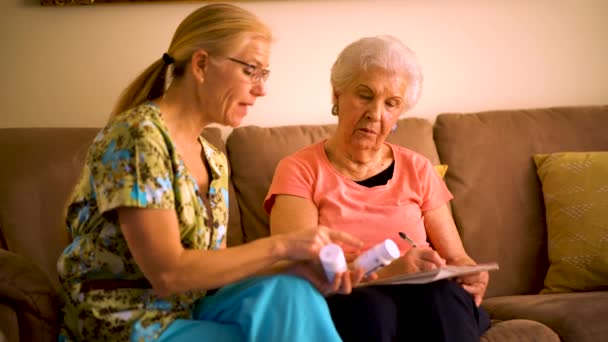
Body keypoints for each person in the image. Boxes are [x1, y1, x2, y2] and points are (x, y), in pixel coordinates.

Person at [56, 4, 364, 341]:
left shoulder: (214, 160)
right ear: (201, 64)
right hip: (125, 323)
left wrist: (299, 269)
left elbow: (209, 270)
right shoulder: (138, 137)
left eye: (265, 74)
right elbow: (169, 273)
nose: (261, 89)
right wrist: (285, 246)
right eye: (251, 70)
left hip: (186, 310)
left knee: (293, 292)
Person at [264, 35, 492, 342]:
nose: (375, 113)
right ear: (337, 95)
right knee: (372, 308)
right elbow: (296, 268)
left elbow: (457, 258)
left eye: (391, 104)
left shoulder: (419, 168)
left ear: (399, 113)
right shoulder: (299, 170)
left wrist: (472, 274)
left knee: (440, 294)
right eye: (364, 95)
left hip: (427, 301)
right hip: (349, 299)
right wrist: (386, 271)